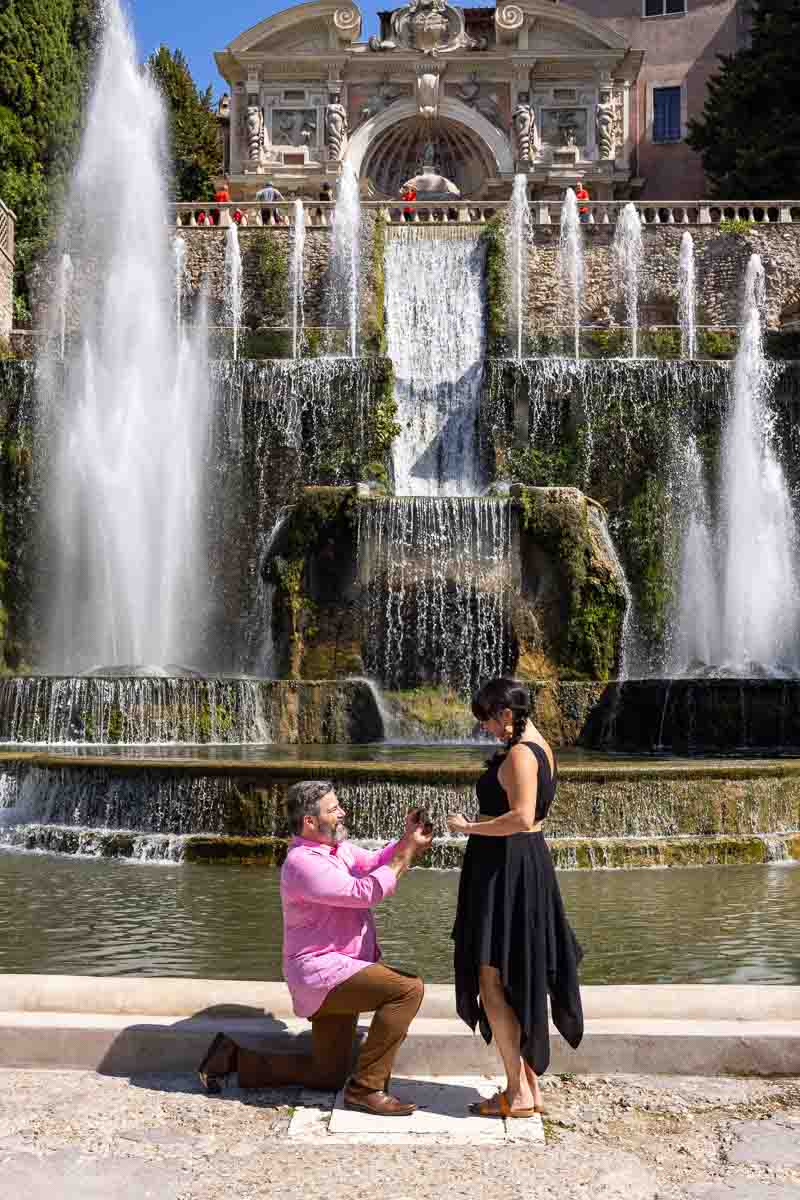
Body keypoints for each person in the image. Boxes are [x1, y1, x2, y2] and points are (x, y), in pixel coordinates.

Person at [197, 780, 433, 1116]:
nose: (342, 813)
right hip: (322, 973)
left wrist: (407, 840)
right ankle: (367, 1087)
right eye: (334, 809)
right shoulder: (302, 864)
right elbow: (364, 892)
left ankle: (232, 1057)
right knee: (407, 990)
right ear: (310, 822)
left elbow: (377, 861)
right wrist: (406, 856)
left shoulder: (339, 850)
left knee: (328, 1075)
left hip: (343, 968)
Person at [447, 677, 584, 1119]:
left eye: (487, 720)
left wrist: (469, 828)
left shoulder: (523, 753)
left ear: (506, 714)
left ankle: (517, 1092)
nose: (485, 728)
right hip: (516, 865)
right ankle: (527, 1086)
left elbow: (523, 817)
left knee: (491, 978)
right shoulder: (537, 742)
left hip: (506, 868)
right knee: (512, 974)